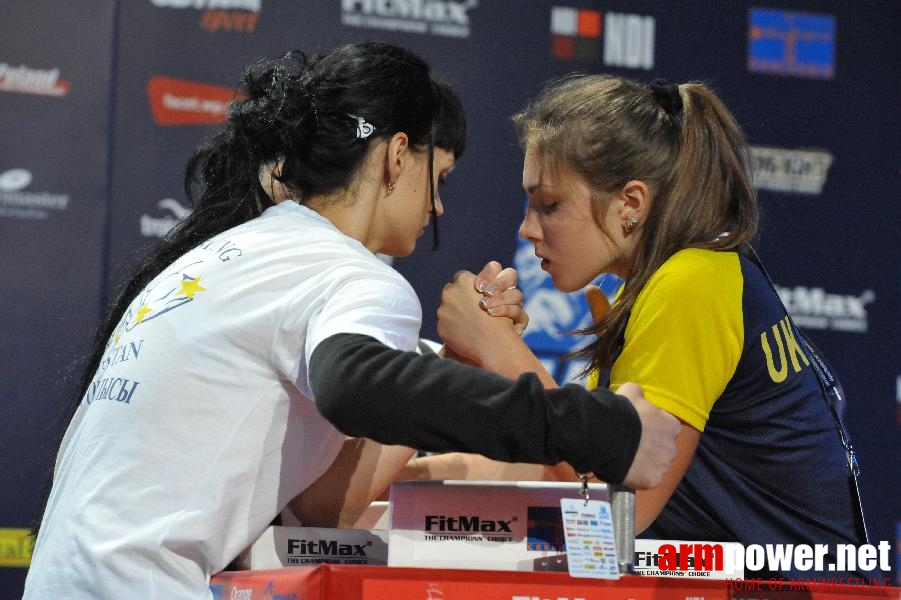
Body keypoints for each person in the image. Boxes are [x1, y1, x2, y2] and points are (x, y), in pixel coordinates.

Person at [23, 45, 681, 599]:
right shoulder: (351, 275)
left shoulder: (241, 252)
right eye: (438, 178)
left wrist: (449, 359)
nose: (438, 209)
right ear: (397, 156)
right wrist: (597, 427)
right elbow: (356, 386)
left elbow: (324, 508)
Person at [425, 74, 869, 580]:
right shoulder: (665, 286)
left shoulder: (692, 282)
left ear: (630, 205)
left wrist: (503, 352)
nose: (527, 229)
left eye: (548, 204)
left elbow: (610, 524)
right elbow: (562, 473)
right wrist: (410, 482)